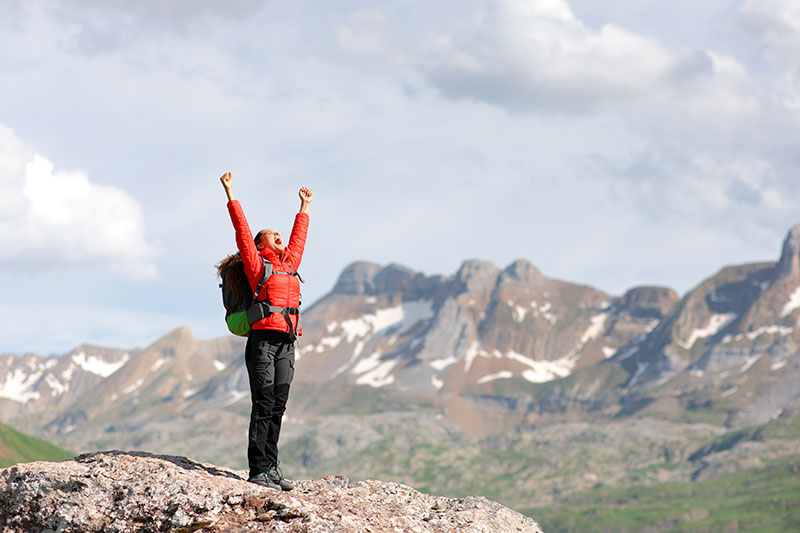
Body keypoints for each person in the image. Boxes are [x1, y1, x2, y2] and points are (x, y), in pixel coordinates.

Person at [220, 171, 312, 491]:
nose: (278, 234)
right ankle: (258, 470)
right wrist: (231, 194)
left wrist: (304, 208)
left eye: (279, 233)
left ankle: (272, 468)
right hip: (263, 343)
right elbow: (242, 231)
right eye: (271, 233)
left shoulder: (289, 263)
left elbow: (298, 238)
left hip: (287, 342)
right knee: (263, 403)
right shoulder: (257, 264)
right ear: (259, 245)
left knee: (279, 405)